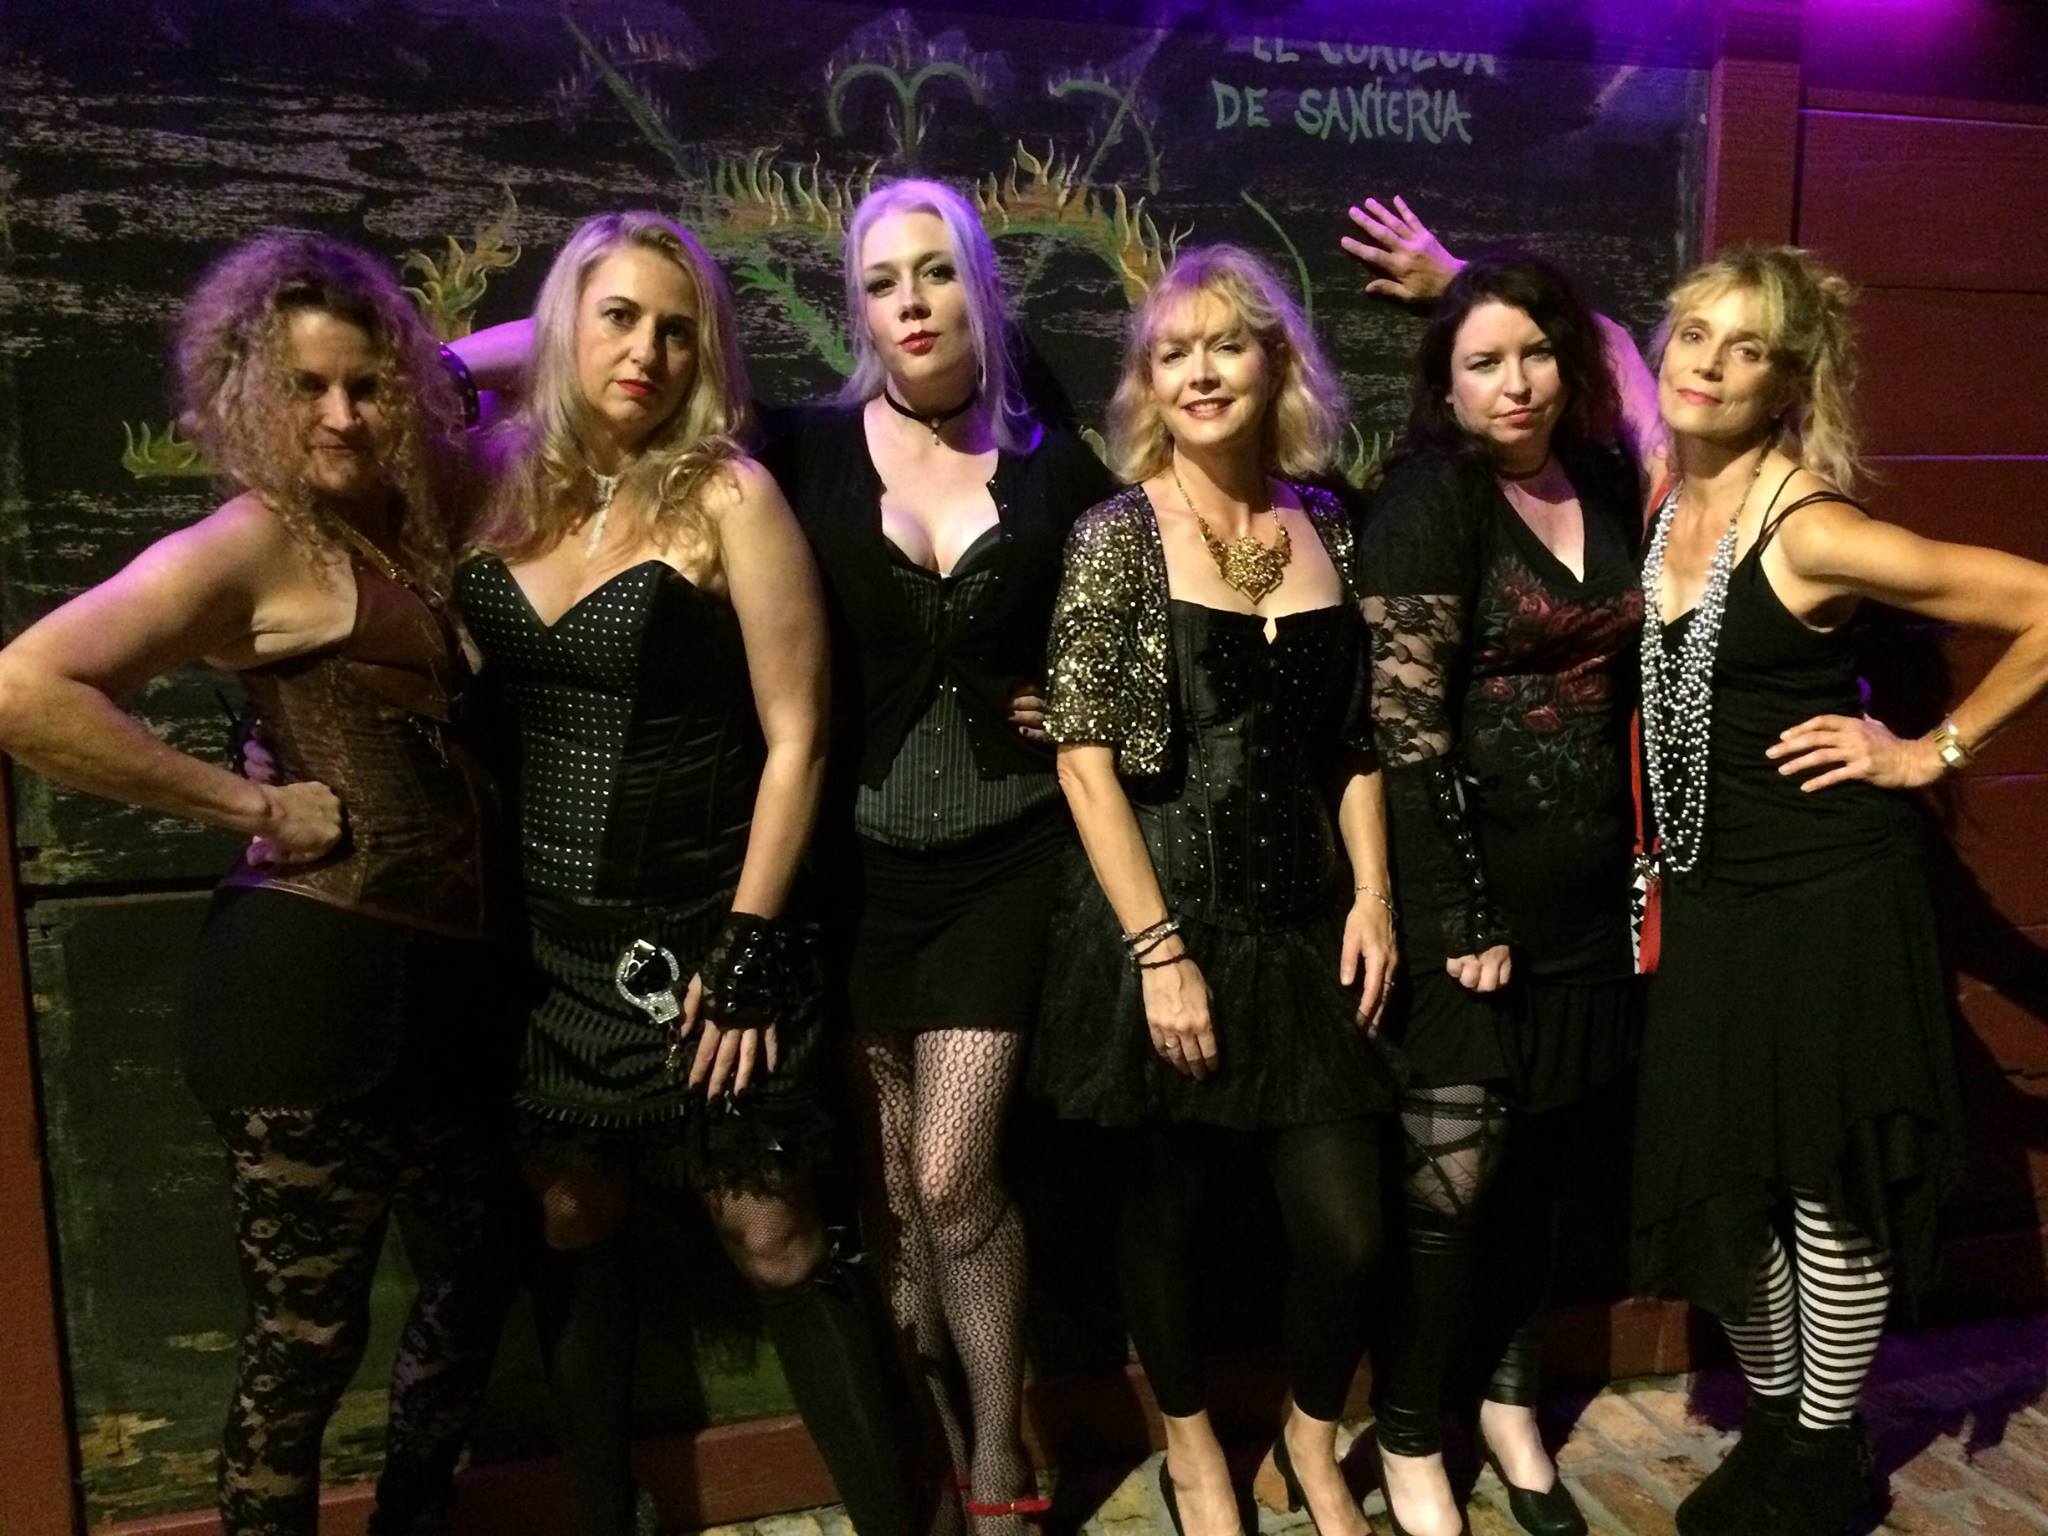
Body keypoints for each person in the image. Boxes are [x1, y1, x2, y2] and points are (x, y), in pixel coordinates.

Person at [1350, 206, 2048, 1535]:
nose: (1708, 365)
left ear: (1790, 384)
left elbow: (2042, 605)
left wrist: (1929, 749)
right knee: (1732, 1183)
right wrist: (1460, 283)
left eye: (1748, 351)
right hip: (1710, 899)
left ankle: (1818, 1452)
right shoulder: (1663, 471)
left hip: (1828, 898)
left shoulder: (1811, 527)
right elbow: (1605, 348)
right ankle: (1786, 1429)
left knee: (1823, 1194)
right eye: (1696, 337)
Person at [0, 232, 517, 1535]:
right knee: (305, 1344)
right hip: (309, 992)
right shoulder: (248, 543)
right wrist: (248, 804)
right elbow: (23, 689)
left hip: (448, 988)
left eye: (367, 386)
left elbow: (547, 351)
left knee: (476, 1287)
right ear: (248, 395)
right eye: (305, 387)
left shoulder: (402, 522)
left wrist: (432, 366)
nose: (342, 416)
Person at [450, 210, 913, 1536]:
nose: (646, 353)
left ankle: (901, 1519)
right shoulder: (496, 479)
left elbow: (799, 736)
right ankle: (605, 1512)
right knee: (571, 1214)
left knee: (772, 1233)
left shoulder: (726, 495)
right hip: (543, 946)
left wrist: (750, 948)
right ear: (565, 324)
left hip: (707, 929)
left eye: (677, 329)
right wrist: (527, 354)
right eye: (617, 318)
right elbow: (426, 373)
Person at [758, 177, 1116, 1534]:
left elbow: (1150, 625)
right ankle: (946, 1444)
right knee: (896, 1206)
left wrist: (1076, 702)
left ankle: (1000, 1463)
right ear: (856, 308)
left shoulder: (1057, 468)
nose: (910, 303)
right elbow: (597, 377)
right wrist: (450, 361)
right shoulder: (803, 449)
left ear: (981, 286)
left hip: (1002, 864)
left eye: (936, 272)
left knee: (957, 1178)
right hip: (854, 875)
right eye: (881, 282)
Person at [1029, 244, 1399, 1536]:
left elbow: (1355, 742)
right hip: (1163, 918)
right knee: (1169, 1218)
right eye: (1171, 353)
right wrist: (1158, 952)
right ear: (1146, 382)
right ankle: (1190, 1452)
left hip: (1304, 925)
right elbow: (1083, 761)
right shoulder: (1117, 535)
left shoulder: (1328, 522)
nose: (1198, 373)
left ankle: (1308, 1437)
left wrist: (1375, 897)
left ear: (1275, 361)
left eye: (1224, 345)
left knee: (1348, 1232)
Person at [1352, 254, 1644, 1536]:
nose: (1513, 383)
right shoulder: (1430, 498)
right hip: (1465, 913)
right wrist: (1461, 917)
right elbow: (1402, 732)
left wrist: (1461, 273)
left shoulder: (1606, 478)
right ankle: (1410, 1434)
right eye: (1482, 361)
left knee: (1540, 1184)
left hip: (1586, 910)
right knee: (1448, 1196)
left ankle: (1511, 1408)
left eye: (1534, 353)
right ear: (1445, 383)